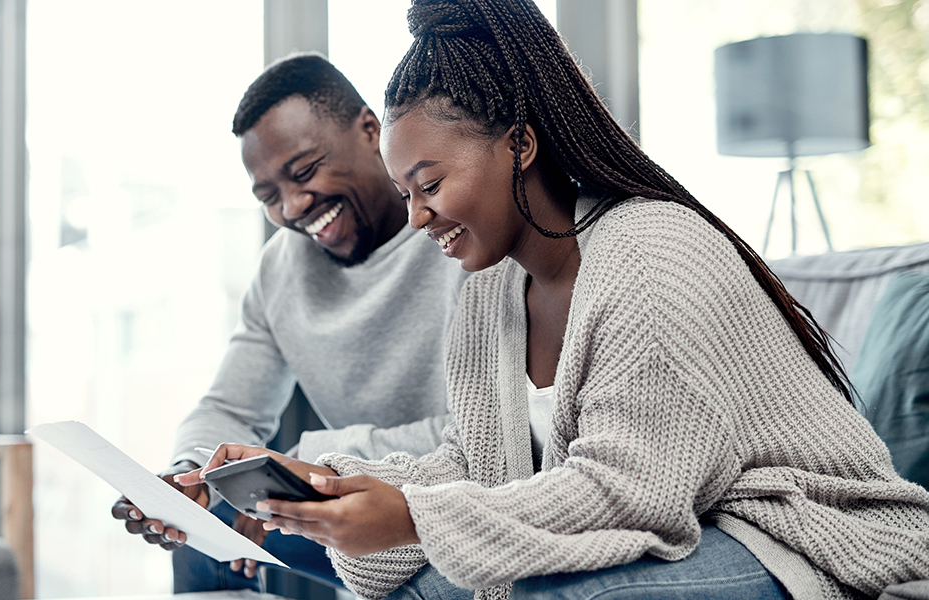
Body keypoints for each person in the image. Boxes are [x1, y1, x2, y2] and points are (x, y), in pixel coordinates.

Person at [179, 1, 929, 599]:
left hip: (792, 534)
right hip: (682, 526)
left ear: (523, 143)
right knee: (423, 581)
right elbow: (473, 465)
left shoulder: (651, 252)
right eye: (406, 191)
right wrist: (334, 484)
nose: (416, 217)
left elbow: (630, 494)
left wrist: (410, 515)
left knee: (545, 593)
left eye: (432, 186)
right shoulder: (489, 292)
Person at [110, 53, 470, 592]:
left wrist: (305, 465)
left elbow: (481, 437)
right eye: (268, 196)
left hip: (446, 502)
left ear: (370, 130)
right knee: (201, 538)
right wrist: (187, 478)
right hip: (339, 494)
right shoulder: (281, 268)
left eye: (304, 172)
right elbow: (229, 407)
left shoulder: (461, 234)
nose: (294, 205)